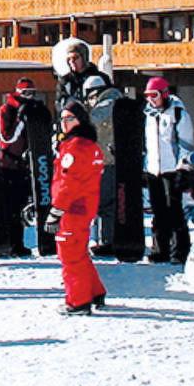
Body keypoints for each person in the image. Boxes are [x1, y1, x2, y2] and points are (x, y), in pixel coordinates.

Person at [50, 101, 107, 313]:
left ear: (80, 120)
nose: (64, 123)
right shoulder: (89, 145)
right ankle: (94, 291)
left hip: (72, 209)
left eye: (69, 119)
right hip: (83, 206)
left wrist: (56, 210)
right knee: (79, 251)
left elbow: (68, 184)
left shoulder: (75, 147)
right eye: (62, 119)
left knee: (70, 255)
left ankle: (78, 301)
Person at [141, 77, 194, 262]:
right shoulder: (148, 114)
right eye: (148, 95)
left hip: (171, 169)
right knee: (158, 212)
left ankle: (180, 250)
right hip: (154, 169)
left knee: (174, 211)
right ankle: (160, 249)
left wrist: (183, 167)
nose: (151, 99)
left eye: (154, 95)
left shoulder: (178, 113)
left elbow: (186, 143)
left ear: (164, 94)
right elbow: (146, 143)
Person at [0, 77, 55, 254]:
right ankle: (13, 244)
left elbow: (44, 133)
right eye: (25, 93)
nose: (29, 97)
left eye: (32, 93)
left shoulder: (34, 109)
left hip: (31, 164)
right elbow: (6, 138)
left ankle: (30, 242)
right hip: (9, 165)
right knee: (12, 207)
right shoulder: (7, 109)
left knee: (26, 203)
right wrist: (21, 120)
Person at [80, 74, 119, 254]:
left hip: (106, 161)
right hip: (105, 159)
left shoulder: (109, 102)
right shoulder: (115, 100)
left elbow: (93, 118)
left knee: (104, 203)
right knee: (104, 204)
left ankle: (107, 240)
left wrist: (80, 111)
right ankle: (104, 239)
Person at [51, 36, 108, 122]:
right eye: (69, 59)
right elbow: (60, 105)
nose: (72, 62)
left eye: (75, 58)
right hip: (74, 123)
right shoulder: (66, 81)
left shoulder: (100, 78)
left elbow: (108, 100)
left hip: (98, 123)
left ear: (84, 58)